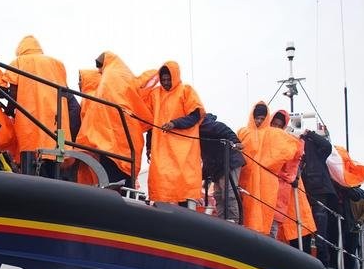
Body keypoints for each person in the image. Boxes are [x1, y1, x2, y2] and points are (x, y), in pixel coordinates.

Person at [74, 51, 151, 187]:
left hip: (108, 142)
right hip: (123, 138)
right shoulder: (123, 75)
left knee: (110, 177)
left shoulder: (103, 85)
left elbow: (94, 119)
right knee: (121, 177)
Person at [2, 35, 71, 175]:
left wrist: (8, 110)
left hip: (30, 120)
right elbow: (65, 92)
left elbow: (13, 93)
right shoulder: (57, 64)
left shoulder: (18, 62)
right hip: (58, 122)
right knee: (55, 161)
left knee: (32, 160)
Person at [145, 61, 204, 205]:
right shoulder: (155, 95)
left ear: (175, 76)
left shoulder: (186, 90)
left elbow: (195, 116)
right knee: (161, 186)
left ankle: (186, 219)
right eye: (163, 79)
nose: (166, 82)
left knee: (184, 188)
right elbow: (150, 123)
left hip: (183, 151)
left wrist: (174, 123)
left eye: (168, 79)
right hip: (161, 150)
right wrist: (148, 147)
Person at [236, 102, 299, 234]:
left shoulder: (274, 134)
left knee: (265, 216)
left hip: (266, 185)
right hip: (244, 183)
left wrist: (270, 165)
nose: (259, 121)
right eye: (257, 117)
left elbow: (295, 148)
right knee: (244, 215)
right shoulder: (242, 132)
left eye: (262, 118)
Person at [270, 110, 316, 247]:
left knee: (300, 238)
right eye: (274, 125)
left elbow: (289, 167)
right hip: (277, 201)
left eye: (279, 126)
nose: (276, 129)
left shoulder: (290, 145)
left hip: (293, 201)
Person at [300, 127, 338, 266]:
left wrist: (310, 134)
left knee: (320, 230)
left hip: (318, 192)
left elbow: (327, 146)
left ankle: (324, 264)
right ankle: (305, 262)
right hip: (302, 194)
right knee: (304, 230)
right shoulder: (294, 146)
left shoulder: (317, 151)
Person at [199, 113, 245, 221]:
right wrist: (202, 175)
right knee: (218, 195)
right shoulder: (197, 131)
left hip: (229, 162)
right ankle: (222, 220)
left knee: (229, 193)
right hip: (217, 167)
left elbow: (225, 131)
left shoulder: (209, 125)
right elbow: (206, 156)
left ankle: (234, 221)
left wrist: (236, 142)